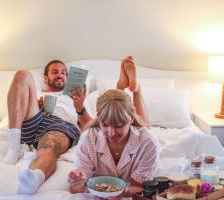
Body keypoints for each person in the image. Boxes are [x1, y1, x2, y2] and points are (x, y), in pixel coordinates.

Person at [68, 57, 159, 198]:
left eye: (119, 125)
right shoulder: (88, 138)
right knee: (116, 110)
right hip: (116, 115)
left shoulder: (148, 142)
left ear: (130, 119)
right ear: (99, 118)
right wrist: (77, 182)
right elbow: (79, 184)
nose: (110, 133)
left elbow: (139, 185)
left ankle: (136, 89)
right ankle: (122, 87)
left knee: (145, 128)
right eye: (104, 124)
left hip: (138, 129)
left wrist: (123, 193)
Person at [2, 60, 92, 194]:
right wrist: (35, 106)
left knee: (49, 144)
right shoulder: (35, 92)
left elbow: (88, 125)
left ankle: (35, 177)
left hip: (60, 124)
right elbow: (16, 109)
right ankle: (14, 147)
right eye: (55, 72)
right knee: (22, 74)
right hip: (36, 117)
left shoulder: (76, 97)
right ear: (45, 77)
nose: (60, 75)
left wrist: (79, 106)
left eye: (63, 73)